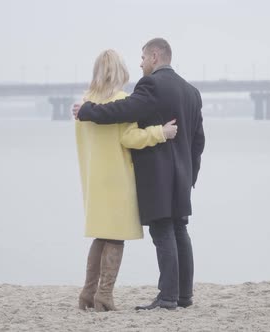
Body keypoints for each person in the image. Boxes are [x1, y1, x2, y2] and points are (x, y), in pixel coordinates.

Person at [74, 38, 205, 310]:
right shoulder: (192, 92)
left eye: (143, 57)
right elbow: (198, 140)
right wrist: (190, 174)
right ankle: (184, 296)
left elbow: (124, 110)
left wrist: (89, 110)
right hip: (183, 175)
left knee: (163, 232)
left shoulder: (152, 84)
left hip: (158, 176)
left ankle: (167, 297)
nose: (141, 63)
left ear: (155, 56)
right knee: (180, 231)